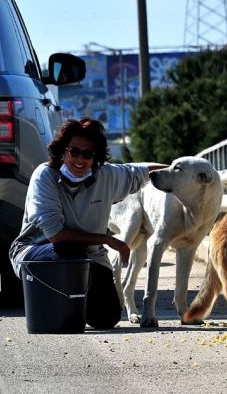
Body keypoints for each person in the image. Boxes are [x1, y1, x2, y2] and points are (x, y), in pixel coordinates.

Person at [9, 117, 167, 329]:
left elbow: (142, 171)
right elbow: (57, 235)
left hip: (90, 258)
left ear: (96, 157)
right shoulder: (44, 176)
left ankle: (75, 302)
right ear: (62, 151)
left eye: (88, 154)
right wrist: (109, 240)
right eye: (74, 152)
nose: (80, 160)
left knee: (107, 318)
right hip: (39, 252)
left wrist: (180, 169)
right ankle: (50, 302)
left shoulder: (107, 175)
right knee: (69, 251)